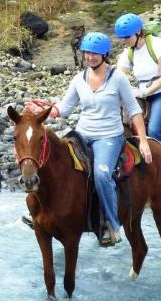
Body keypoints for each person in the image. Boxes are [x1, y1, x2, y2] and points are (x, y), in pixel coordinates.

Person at [25, 31, 152, 247]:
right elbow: (64, 109)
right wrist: (43, 109)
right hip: (82, 134)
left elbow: (133, 110)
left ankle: (110, 225)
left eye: (95, 53)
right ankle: (40, 212)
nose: (90, 57)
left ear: (105, 55)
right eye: (87, 53)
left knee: (102, 174)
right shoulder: (78, 79)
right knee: (49, 159)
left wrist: (143, 141)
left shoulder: (118, 78)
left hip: (109, 137)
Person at [114, 13, 161, 147]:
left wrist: (146, 92)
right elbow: (120, 72)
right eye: (122, 38)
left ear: (138, 32)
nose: (125, 41)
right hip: (142, 94)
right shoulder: (129, 50)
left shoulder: (156, 44)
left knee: (154, 130)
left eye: (127, 37)